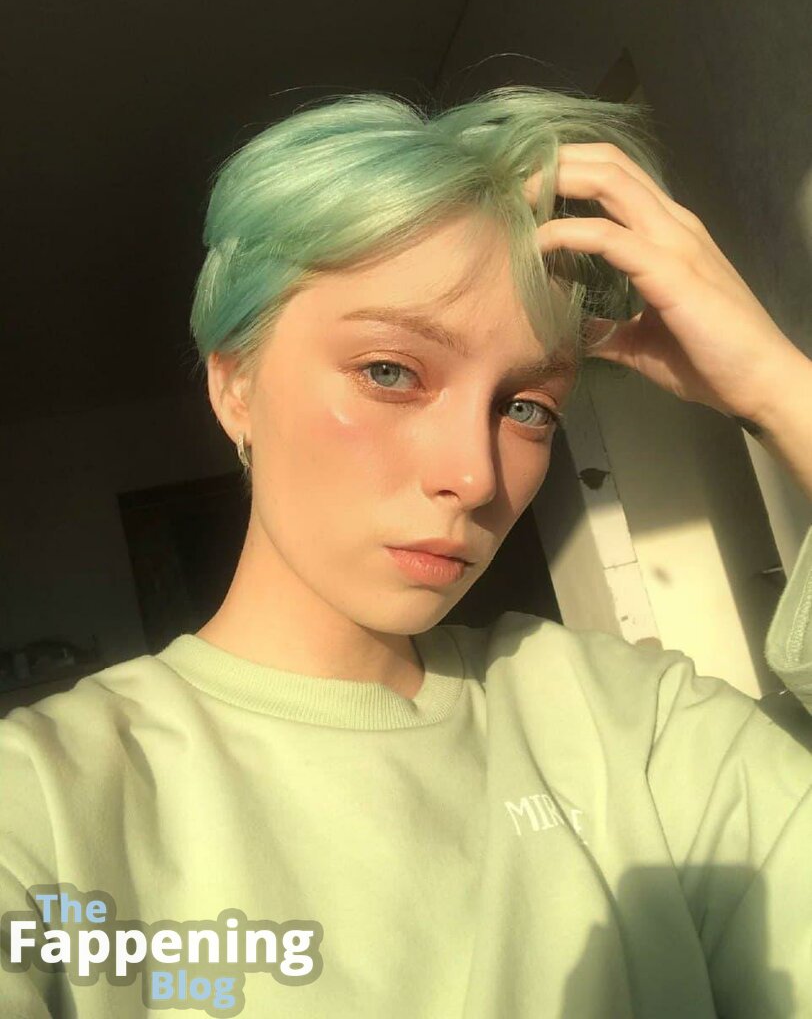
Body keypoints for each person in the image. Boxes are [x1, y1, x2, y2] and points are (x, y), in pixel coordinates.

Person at [2, 86, 811, 1018]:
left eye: (527, 407)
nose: (473, 475)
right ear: (235, 386)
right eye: (390, 371)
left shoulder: (636, 725)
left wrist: (780, 392)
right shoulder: (43, 804)